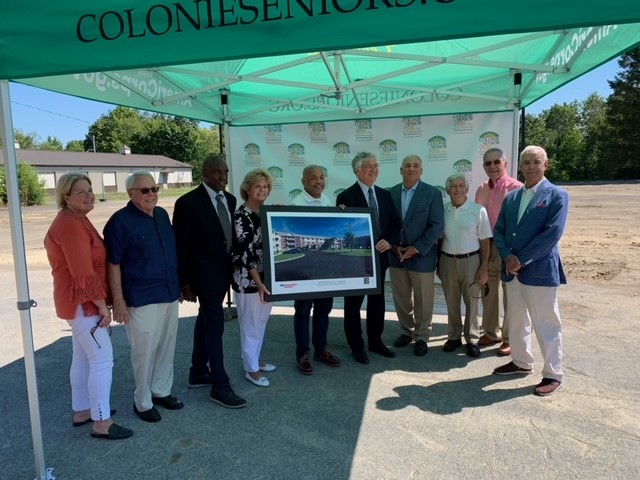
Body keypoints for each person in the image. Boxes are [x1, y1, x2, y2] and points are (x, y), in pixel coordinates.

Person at [44, 172, 133, 440]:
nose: (89, 195)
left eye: (90, 190)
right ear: (66, 197)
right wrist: (102, 306)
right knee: (102, 359)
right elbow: (83, 272)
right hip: (83, 304)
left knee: (83, 358)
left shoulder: (76, 220)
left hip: (78, 302)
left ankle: (83, 410)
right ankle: (102, 421)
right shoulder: (70, 225)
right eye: (81, 192)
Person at [103, 172, 183, 423]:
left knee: (166, 346)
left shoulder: (161, 215)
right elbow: (113, 264)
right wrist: (118, 300)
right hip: (140, 297)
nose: (152, 194)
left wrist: (179, 285)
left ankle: (161, 390)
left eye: (154, 189)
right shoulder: (120, 222)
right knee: (144, 352)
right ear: (131, 193)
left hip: (169, 292)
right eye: (145, 190)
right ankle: (142, 401)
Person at [493, 146, 569, 397]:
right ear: (520, 166)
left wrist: (521, 260)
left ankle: (553, 374)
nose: (531, 166)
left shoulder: (557, 195)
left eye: (537, 162)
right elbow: (500, 231)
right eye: (526, 162)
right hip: (512, 271)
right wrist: (507, 256)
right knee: (516, 321)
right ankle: (521, 361)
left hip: (539, 271)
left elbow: (552, 234)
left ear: (546, 165)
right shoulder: (512, 197)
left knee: (546, 324)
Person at [173, 154, 246, 408]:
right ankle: (219, 385)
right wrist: (185, 282)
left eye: (225, 172)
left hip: (224, 274)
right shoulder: (187, 203)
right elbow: (180, 246)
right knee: (215, 325)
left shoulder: (230, 200)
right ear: (204, 173)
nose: (222, 177)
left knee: (205, 319)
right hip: (202, 277)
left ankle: (197, 371)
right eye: (217, 172)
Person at [336, 152, 401, 364]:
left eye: (376, 165)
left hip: (379, 258)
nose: (374, 169)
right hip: (357, 260)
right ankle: (356, 346)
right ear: (357, 170)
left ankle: (375, 341)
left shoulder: (384, 194)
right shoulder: (345, 197)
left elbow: (395, 223)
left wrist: (389, 241)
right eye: (368, 166)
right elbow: (345, 229)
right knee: (353, 304)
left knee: (377, 302)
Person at [388, 155, 444, 356]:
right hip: (396, 255)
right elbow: (386, 223)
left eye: (415, 166)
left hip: (422, 255)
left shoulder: (432, 193)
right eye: (407, 165)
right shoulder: (390, 193)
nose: (411, 169)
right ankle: (406, 331)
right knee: (401, 298)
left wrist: (416, 248)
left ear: (421, 170)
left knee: (423, 300)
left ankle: (422, 336)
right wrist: (394, 246)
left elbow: (437, 226)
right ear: (400, 170)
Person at [291, 165, 342, 374]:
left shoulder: (328, 201)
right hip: (305, 271)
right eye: (313, 178)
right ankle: (302, 353)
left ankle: (321, 350)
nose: (318, 181)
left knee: (323, 310)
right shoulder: (296, 204)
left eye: (321, 177)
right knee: (303, 312)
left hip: (324, 270)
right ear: (303, 182)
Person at [475, 148, 523, 356]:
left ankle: (509, 338)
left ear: (505, 163)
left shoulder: (517, 188)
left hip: (509, 248)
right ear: (484, 166)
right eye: (488, 163)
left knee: (510, 294)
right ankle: (490, 332)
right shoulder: (481, 189)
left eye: (496, 162)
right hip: (487, 246)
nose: (492, 166)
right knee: (488, 291)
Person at [439, 173, 492, 358]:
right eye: (453, 186)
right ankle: (454, 337)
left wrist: (484, 267)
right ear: (448, 190)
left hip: (472, 262)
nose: (458, 189)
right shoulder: (442, 210)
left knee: (472, 302)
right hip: (447, 260)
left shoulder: (478, 210)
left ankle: (472, 340)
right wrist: (438, 263)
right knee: (451, 302)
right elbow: (439, 239)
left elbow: (485, 242)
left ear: (467, 189)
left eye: (461, 185)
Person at [232, 169, 275, 387]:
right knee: (250, 324)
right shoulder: (242, 216)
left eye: (265, 186)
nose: (262, 190)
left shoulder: (265, 213)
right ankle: (251, 369)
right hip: (249, 280)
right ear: (247, 189)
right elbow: (245, 253)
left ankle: (254, 358)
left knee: (261, 321)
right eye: (257, 186)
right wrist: (258, 282)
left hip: (267, 279)